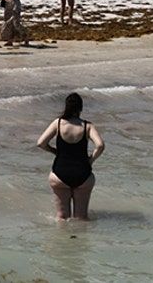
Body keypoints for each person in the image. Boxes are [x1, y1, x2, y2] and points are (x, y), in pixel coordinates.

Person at [35, 92, 105, 221]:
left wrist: (55, 151)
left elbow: (40, 143)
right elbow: (100, 145)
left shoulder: (58, 123)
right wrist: (90, 160)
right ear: (81, 108)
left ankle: (62, 240)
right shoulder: (87, 126)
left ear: (66, 107)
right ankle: (79, 240)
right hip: (83, 174)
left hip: (60, 174)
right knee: (81, 218)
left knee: (61, 217)